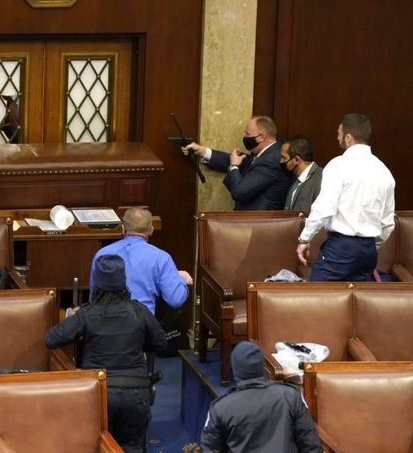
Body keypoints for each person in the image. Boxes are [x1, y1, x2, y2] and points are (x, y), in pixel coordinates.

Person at [45, 254, 167, 453]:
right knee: (132, 446)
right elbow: (161, 345)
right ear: (123, 281)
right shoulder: (140, 312)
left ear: (97, 283)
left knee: (98, 447)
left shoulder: (87, 314)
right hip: (135, 394)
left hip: (99, 392)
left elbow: (51, 339)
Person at [297, 113, 396, 281]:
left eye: (339, 133)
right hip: (368, 251)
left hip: (341, 248)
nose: (337, 138)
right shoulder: (384, 172)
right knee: (357, 304)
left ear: (348, 138)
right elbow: (387, 224)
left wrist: (304, 238)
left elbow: (324, 207)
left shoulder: (338, 165)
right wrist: (368, 245)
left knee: (315, 301)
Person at [200, 341, 322, 452]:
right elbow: (311, 446)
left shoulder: (220, 408)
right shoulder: (291, 396)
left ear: (235, 369)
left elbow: (209, 449)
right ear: (262, 367)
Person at [88, 207, 192, 315]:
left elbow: (94, 298)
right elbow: (175, 300)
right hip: (141, 327)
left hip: (104, 325)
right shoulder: (161, 258)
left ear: (123, 229)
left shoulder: (102, 254)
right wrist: (180, 279)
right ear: (151, 230)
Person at [182, 116, 292, 210]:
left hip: (257, 225)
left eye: (247, 134)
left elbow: (239, 192)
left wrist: (234, 166)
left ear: (261, 137)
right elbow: (232, 159)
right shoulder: (264, 153)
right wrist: (202, 151)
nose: (245, 137)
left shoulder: (271, 160)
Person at [280, 136, 323, 211]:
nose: (281, 161)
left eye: (284, 158)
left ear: (296, 160)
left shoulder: (321, 179)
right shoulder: (293, 178)